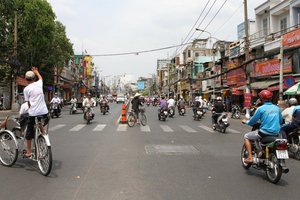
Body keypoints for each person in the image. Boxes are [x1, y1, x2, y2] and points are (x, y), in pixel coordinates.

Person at [242, 90, 282, 163]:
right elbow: (280, 121)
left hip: (264, 132)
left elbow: (252, 121)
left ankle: (250, 157)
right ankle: (261, 151)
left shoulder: (260, 109)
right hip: (276, 133)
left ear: (261, 99)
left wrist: (246, 121)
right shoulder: (277, 108)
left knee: (246, 136)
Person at [23, 67, 49, 158]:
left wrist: (31, 109)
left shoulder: (26, 89)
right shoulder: (39, 83)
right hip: (45, 113)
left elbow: (28, 103)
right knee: (39, 121)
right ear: (34, 78)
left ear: (26, 79)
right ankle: (43, 133)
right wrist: (37, 72)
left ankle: (29, 152)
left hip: (34, 114)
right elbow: (41, 78)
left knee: (28, 133)